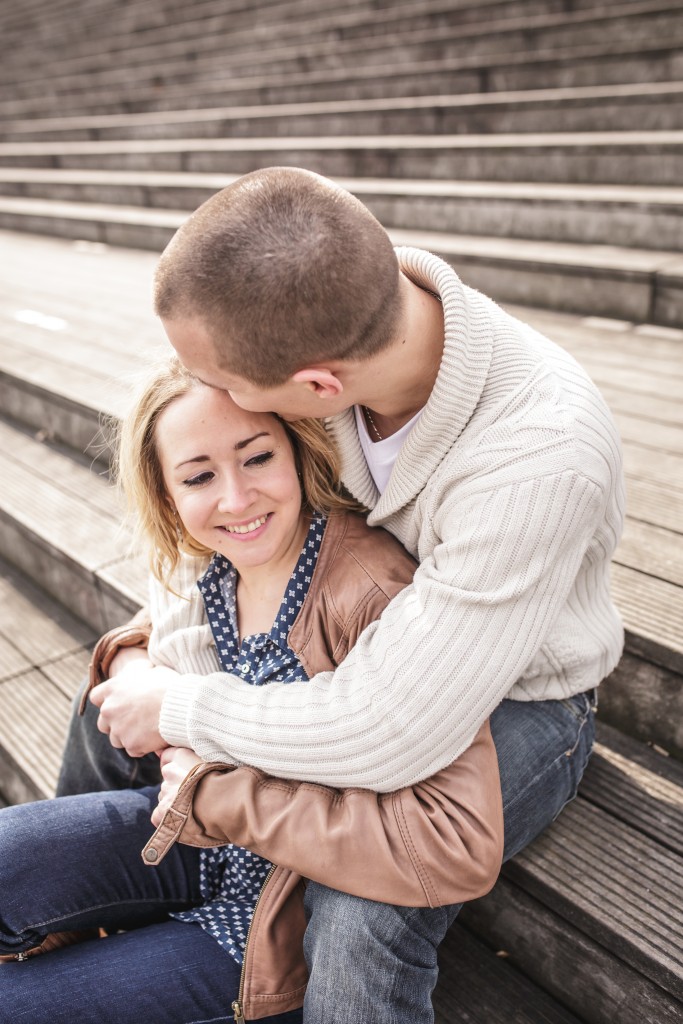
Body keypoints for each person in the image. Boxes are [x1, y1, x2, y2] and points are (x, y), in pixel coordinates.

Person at [58, 166, 625, 1022]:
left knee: (363, 907)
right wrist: (163, 669)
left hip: (511, 694)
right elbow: (192, 496)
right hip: (330, 620)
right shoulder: (328, 303)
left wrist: (182, 712)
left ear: (317, 393)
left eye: (223, 383)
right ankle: (96, 924)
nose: (203, 389)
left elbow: (386, 728)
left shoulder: (539, 457)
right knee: (107, 697)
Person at [0, 358, 503, 1024]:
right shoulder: (211, 563)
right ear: (167, 495)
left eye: (256, 457)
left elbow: (449, 841)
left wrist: (219, 796)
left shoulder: (373, 592)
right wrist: (129, 664)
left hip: (269, 922)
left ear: (298, 450)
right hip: (192, 838)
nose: (235, 499)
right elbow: (153, 633)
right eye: (200, 476)